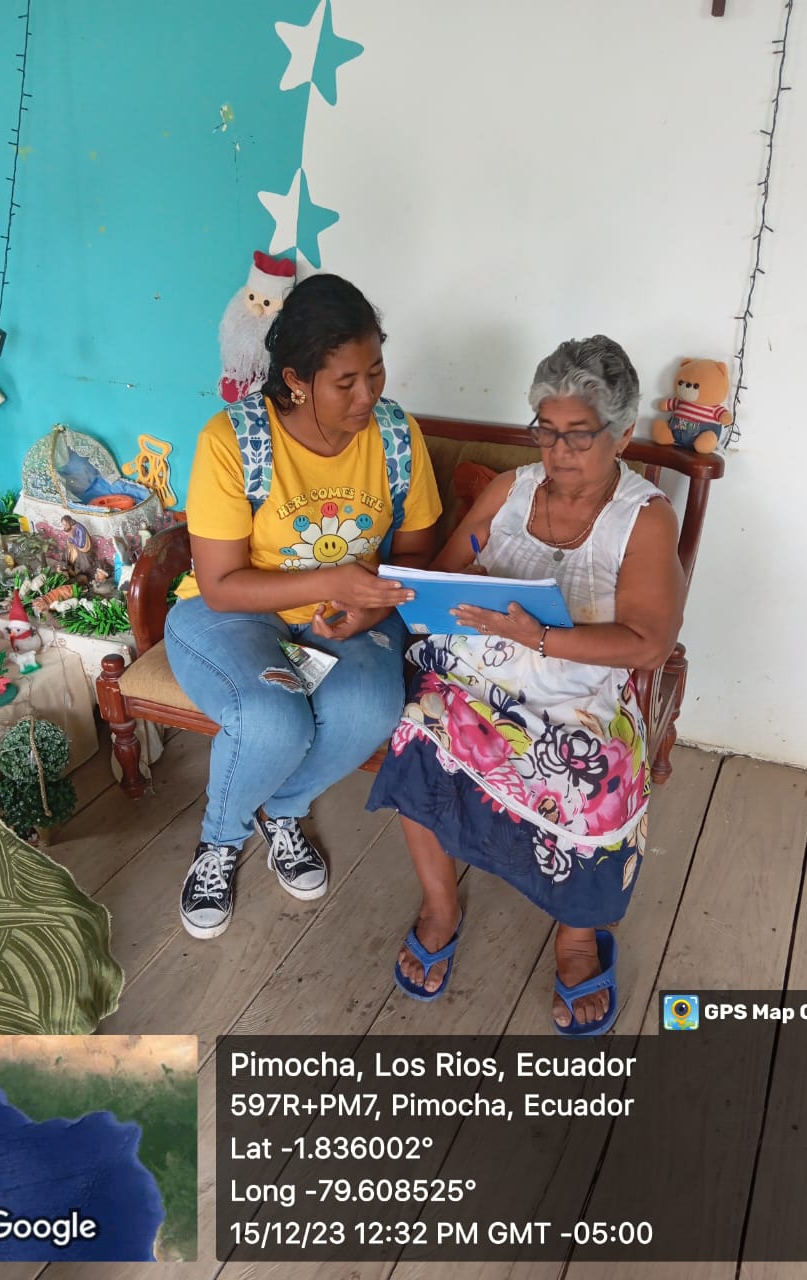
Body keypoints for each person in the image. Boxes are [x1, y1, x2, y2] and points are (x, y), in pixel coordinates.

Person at [367, 336, 685, 1036]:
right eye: (546, 430)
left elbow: (649, 643)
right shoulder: (510, 491)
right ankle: (441, 905)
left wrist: (540, 637)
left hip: (581, 691)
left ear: (622, 435)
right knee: (419, 726)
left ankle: (577, 936)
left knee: (595, 778)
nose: (558, 451)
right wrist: (459, 587)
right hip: (479, 673)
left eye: (579, 434)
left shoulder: (644, 518)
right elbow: (443, 575)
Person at [167, 273, 442, 940]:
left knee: (367, 708)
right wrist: (333, 579)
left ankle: (281, 811)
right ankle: (221, 839)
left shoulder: (395, 436)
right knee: (272, 719)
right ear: (295, 380)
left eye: (375, 372)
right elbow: (222, 584)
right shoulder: (235, 441)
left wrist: (368, 607)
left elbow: (416, 553)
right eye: (345, 382)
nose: (367, 395)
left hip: (342, 620)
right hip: (232, 618)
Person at [60, 514, 94, 579]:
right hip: (73, 547)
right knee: (67, 554)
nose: (64, 527)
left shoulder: (80, 529)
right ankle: (70, 570)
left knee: (83, 561)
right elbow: (70, 539)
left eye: (66, 525)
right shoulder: (70, 527)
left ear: (70, 523)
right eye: (63, 525)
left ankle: (81, 574)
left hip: (83, 549)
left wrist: (72, 537)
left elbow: (81, 544)